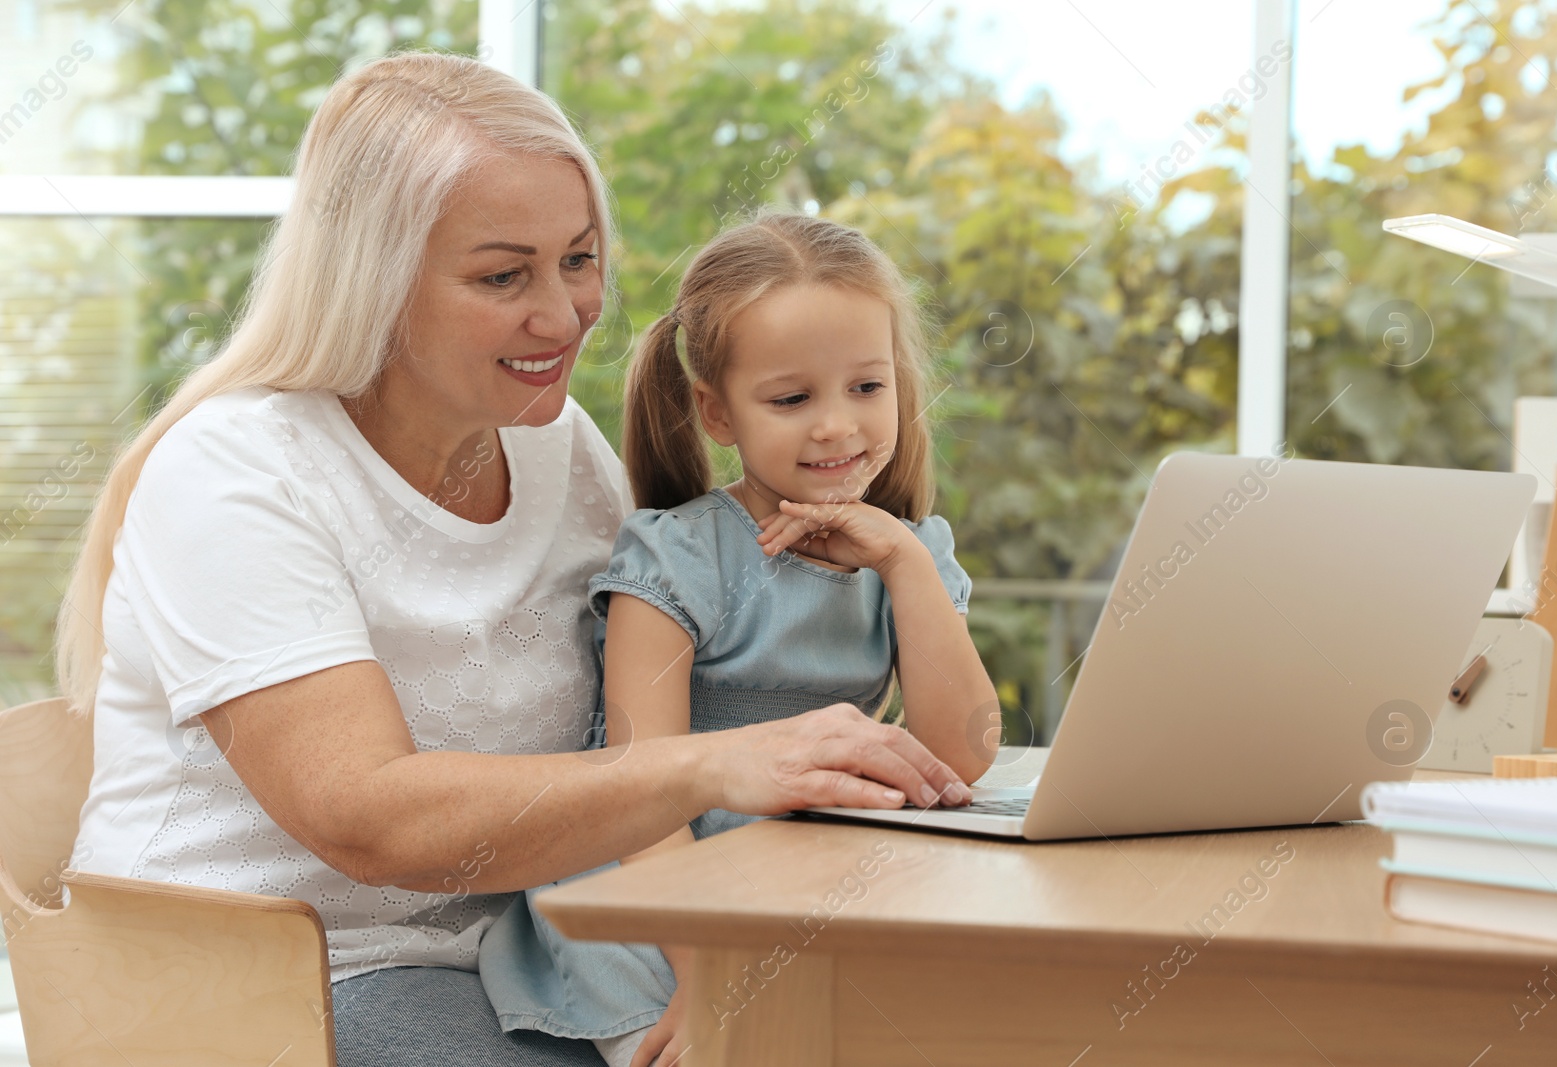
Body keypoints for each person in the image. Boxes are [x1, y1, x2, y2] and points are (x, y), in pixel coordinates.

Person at [60, 53, 974, 1067]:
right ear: (376, 277)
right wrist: (714, 765)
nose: (564, 313)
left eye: (578, 260)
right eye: (504, 275)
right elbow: (363, 815)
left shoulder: (554, 443)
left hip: (519, 951)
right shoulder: (236, 471)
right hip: (272, 978)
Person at [477, 213, 1000, 1067]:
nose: (837, 426)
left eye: (867, 387)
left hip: (808, 880)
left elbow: (962, 753)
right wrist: (707, 971)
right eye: (793, 399)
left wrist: (905, 562)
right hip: (660, 897)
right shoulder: (677, 556)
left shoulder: (909, 552)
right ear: (718, 413)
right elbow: (638, 792)